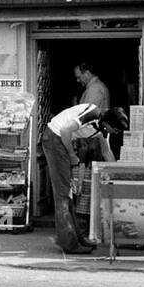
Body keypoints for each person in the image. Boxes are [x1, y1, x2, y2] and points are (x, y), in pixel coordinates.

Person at [39, 103, 106, 254]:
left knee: (67, 193)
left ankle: (76, 238)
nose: (113, 131)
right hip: (55, 138)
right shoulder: (93, 113)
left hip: (57, 140)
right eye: (114, 128)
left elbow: (106, 151)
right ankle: (69, 243)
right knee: (63, 193)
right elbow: (65, 130)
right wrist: (71, 155)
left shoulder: (98, 127)